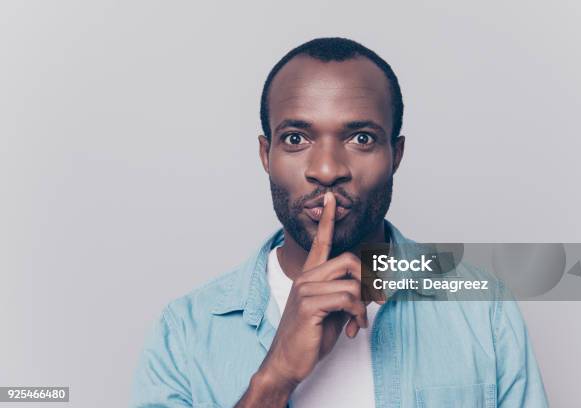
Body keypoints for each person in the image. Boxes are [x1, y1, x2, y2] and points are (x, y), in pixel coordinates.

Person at [131, 37, 548, 407]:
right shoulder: (184, 332)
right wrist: (274, 378)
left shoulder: (483, 311)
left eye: (361, 138)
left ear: (395, 155)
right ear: (266, 154)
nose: (328, 169)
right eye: (296, 138)